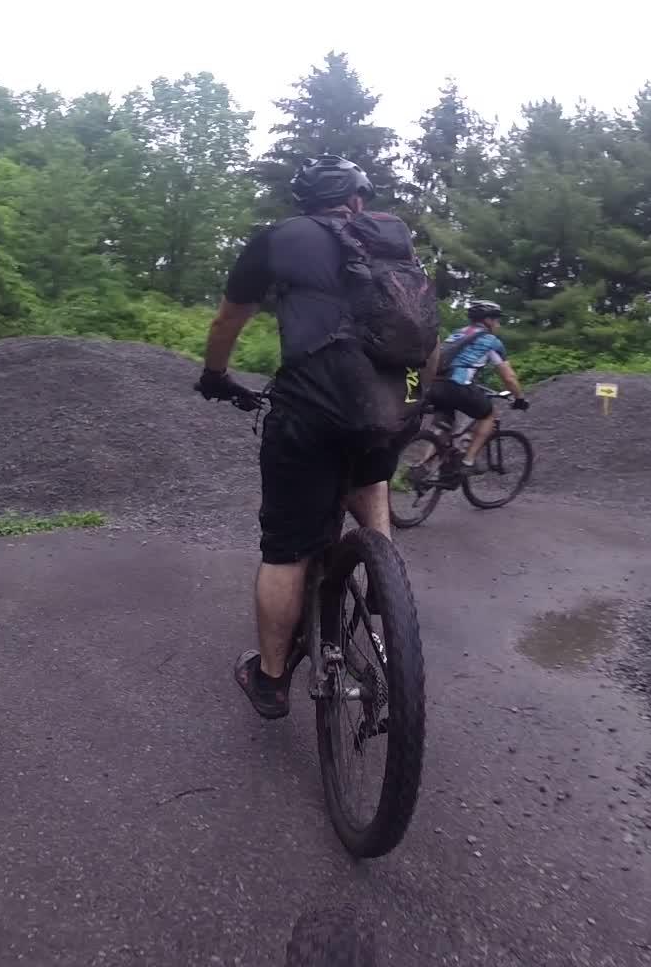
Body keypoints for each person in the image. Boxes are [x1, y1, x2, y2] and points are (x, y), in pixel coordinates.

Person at [194, 155, 434, 720]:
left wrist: (215, 377)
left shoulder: (279, 240)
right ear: (358, 198)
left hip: (311, 407)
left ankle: (272, 679)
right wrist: (415, 393)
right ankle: (383, 564)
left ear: (306, 201)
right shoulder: (394, 241)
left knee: (286, 550)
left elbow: (228, 321)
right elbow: (423, 329)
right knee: (372, 461)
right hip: (394, 402)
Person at [425, 300, 529, 474]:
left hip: (435, 386)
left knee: (444, 427)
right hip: (457, 385)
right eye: (496, 320)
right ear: (487, 320)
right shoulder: (491, 341)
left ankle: (424, 466)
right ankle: (468, 461)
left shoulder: (457, 334)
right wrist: (520, 398)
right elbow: (509, 377)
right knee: (488, 415)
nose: (498, 324)